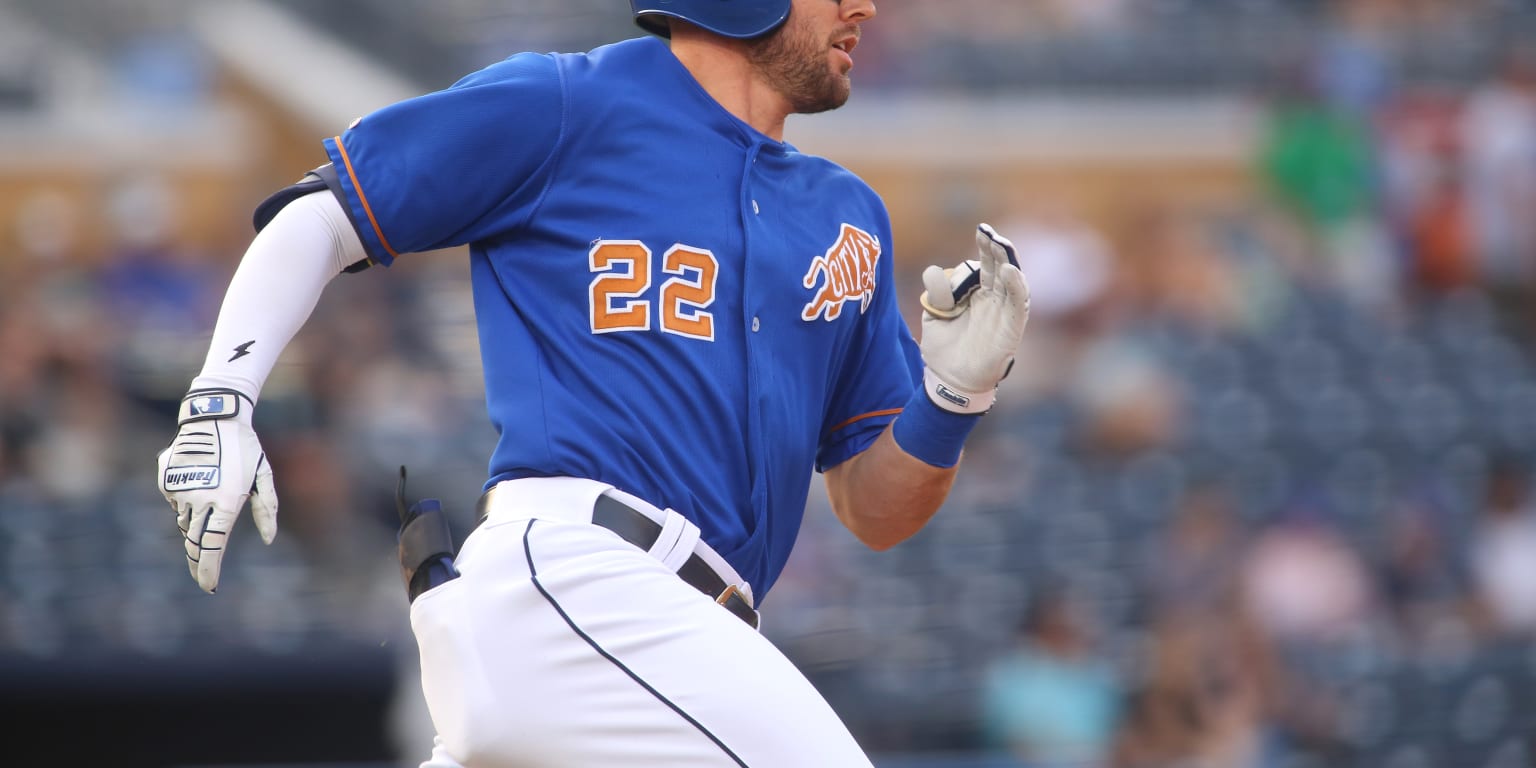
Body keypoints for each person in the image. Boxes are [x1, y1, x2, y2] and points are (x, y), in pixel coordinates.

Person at [153, 1, 1031, 766]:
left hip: (671, 648)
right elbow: (325, 214)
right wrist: (220, 400)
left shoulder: (846, 217)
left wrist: (952, 399)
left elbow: (873, 509)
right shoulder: (571, 104)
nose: (866, 9)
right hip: (581, 578)